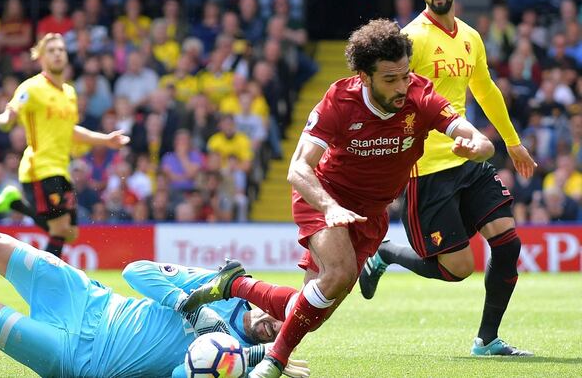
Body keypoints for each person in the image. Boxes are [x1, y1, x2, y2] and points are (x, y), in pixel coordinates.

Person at [181, 19, 496, 377]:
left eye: (405, 75)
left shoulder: (420, 96)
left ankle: (234, 284)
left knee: (308, 313)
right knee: (339, 273)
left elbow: (473, 135)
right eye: (390, 79)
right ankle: (273, 362)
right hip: (324, 196)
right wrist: (330, 208)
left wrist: (478, 146)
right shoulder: (339, 100)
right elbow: (298, 168)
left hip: (370, 214)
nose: (402, 87)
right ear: (364, 77)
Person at [0, 230, 311, 377]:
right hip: (89, 302)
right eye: (280, 313)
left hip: (81, 358)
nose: (274, 326)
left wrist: (257, 358)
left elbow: (188, 374)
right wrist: (195, 306)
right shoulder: (219, 289)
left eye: (287, 329)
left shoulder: (235, 361)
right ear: (267, 297)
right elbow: (135, 271)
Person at [358, 0, 537, 357]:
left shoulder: (471, 37)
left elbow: (486, 90)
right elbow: (387, 98)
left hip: (469, 159)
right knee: (457, 270)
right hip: (427, 170)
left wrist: (512, 141)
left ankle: (487, 341)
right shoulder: (411, 40)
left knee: (507, 243)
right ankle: (385, 253)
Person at [0, 33, 128, 258]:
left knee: (70, 233)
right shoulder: (32, 88)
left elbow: (70, 131)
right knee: (59, 230)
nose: (58, 54)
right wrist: (4, 119)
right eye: (51, 50)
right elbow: (12, 111)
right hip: (39, 168)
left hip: (60, 169)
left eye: (61, 50)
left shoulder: (69, 93)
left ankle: (14, 203)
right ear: (41, 57)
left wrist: (105, 140)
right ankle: (48, 285)